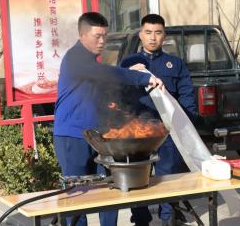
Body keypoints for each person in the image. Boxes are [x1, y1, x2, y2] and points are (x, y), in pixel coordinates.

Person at [53, 12, 164, 226]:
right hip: (71, 136)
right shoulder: (75, 57)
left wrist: (128, 72)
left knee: (109, 190)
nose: (102, 41)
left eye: (105, 36)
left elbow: (108, 82)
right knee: (76, 196)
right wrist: (143, 77)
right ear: (82, 35)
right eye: (97, 36)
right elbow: (105, 74)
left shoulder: (92, 62)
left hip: (98, 136)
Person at [120, 14, 196, 226]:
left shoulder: (175, 64)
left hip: (167, 130)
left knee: (168, 176)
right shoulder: (128, 63)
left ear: (164, 36)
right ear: (140, 35)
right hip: (138, 131)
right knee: (137, 177)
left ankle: (167, 218)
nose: (153, 38)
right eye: (148, 32)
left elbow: (187, 95)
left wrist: (185, 122)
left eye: (158, 32)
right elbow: (119, 93)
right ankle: (141, 219)